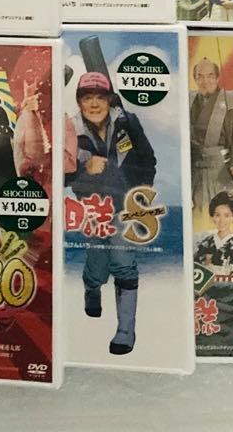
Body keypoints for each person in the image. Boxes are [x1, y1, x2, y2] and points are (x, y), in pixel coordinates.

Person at [66, 70, 156, 355]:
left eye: (100, 97)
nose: (94, 104)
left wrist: (140, 194)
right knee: (97, 265)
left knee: (123, 263)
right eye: (87, 98)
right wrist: (84, 168)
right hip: (92, 210)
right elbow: (60, 176)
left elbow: (148, 160)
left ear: (109, 100)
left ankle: (125, 331)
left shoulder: (128, 122)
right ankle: (91, 289)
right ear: (79, 102)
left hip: (125, 208)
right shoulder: (69, 129)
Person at [189, 58, 233, 213]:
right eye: (200, 76)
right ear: (195, 79)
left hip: (221, 167)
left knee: (223, 212)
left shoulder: (230, 103)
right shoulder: (189, 101)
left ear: (217, 78)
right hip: (195, 168)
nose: (205, 81)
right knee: (197, 213)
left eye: (210, 76)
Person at [195, 192, 233, 275]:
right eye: (217, 215)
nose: (222, 220)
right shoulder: (205, 244)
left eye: (226, 215)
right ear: (212, 217)